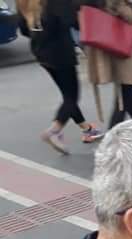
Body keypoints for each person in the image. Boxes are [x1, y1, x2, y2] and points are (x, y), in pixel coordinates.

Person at [16, 0, 104, 153]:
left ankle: (87, 128)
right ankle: (54, 131)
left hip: (41, 53)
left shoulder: (22, 2)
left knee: (66, 94)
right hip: (61, 51)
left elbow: (24, 30)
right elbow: (71, 21)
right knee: (72, 97)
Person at [82, 0, 132, 128]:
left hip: (105, 43)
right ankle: (116, 129)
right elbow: (130, 18)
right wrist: (131, 6)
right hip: (118, 44)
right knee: (125, 89)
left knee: (126, 88)